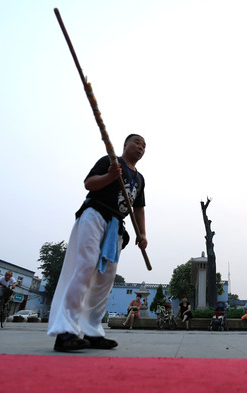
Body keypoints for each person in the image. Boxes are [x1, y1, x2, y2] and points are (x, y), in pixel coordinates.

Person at [47, 134, 148, 352]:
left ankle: (92, 331)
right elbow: (88, 183)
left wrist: (142, 234)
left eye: (144, 145)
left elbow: (138, 207)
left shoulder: (140, 179)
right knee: (85, 267)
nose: (141, 147)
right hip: (95, 214)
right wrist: (111, 177)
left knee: (106, 278)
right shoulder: (110, 162)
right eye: (137, 142)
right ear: (125, 145)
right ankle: (66, 332)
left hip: (115, 226)